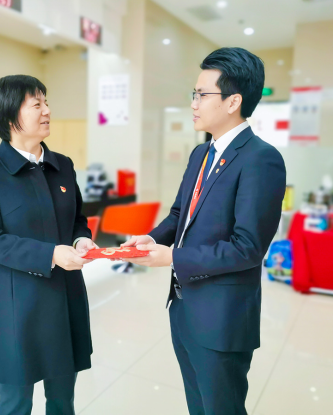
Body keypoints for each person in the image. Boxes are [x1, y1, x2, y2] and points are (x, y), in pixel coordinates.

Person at [123, 48, 287, 415]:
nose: (193, 103)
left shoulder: (261, 159)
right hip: (183, 307)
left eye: (201, 94)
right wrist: (153, 239)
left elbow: (247, 247)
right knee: (197, 405)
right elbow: (180, 214)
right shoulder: (201, 154)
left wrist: (172, 257)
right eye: (193, 94)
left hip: (222, 318)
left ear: (233, 102)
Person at [0, 75, 98, 416]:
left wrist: (81, 238)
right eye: (37, 104)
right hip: (18, 302)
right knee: (16, 402)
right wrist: (51, 253)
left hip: (65, 294)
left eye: (46, 102)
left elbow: (77, 218)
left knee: (62, 399)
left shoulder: (62, 165)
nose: (47, 111)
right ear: (10, 116)